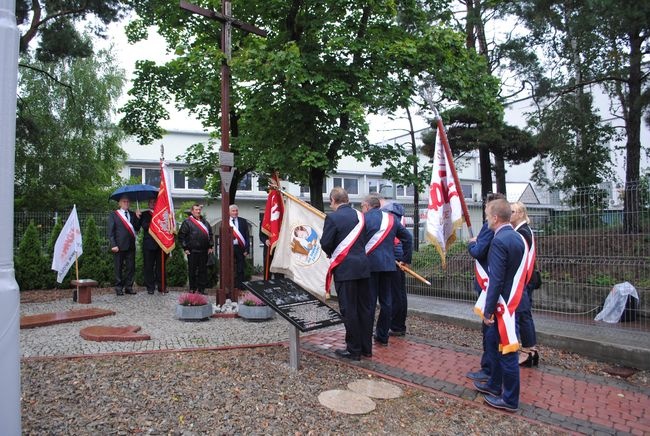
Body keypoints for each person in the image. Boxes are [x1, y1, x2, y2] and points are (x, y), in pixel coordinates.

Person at [473, 198, 528, 412]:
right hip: (513, 300)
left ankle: (510, 399)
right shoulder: (516, 237)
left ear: (495, 218)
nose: (486, 220)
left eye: (487, 216)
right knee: (497, 345)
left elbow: (496, 278)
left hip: (503, 305)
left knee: (507, 351)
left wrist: (488, 310)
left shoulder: (499, 240)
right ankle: (495, 385)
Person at [320, 187, 371, 361]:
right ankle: (366, 348)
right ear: (347, 199)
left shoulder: (333, 217)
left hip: (345, 269)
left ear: (333, 200)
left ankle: (353, 350)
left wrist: (331, 252)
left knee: (349, 310)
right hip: (363, 268)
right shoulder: (360, 216)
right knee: (363, 309)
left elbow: (326, 243)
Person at [465, 192, 506, 383]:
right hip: (491, 284)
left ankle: (489, 368)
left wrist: (471, 244)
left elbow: (479, 250)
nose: (485, 213)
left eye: (487, 209)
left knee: (489, 328)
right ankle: (491, 367)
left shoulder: (491, 229)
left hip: (489, 285)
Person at [362, 194, 412, 348]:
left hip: (369, 265)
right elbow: (408, 238)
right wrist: (406, 258)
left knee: (369, 303)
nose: (362, 209)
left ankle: (365, 341)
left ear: (367, 206)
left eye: (362, 206)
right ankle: (382, 336)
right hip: (389, 266)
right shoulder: (391, 219)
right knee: (387, 302)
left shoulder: (363, 219)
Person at [511, 201, 539, 366]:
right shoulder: (524, 230)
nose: (510, 214)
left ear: (521, 214)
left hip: (523, 280)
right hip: (526, 278)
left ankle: (528, 350)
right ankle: (531, 350)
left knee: (523, 316)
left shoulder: (521, 232)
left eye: (513, 211)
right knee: (525, 315)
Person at [380, 200, 409, 337]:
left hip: (393, 257)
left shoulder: (389, 216)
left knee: (395, 294)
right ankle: (399, 324)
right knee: (400, 293)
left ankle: (396, 325)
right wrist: (406, 258)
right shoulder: (399, 216)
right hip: (400, 256)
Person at [107, 196, 141, 295]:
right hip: (119, 246)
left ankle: (128, 287)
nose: (126, 203)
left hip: (130, 245)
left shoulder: (132, 214)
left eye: (128, 201)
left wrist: (138, 218)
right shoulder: (114, 215)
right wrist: (113, 244)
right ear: (119, 203)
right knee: (119, 267)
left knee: (130, 267)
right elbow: (110, 231)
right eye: (124, 201)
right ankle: (118, 288)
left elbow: (137, 228)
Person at [179, 204, 214, 294]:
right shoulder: (187, 222)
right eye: (196, 210)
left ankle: (201, 289)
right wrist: (185, 248)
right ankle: (192, 289)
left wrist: (210, 246)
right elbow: (181, 236)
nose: (198, 211)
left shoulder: (205, 222)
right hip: (192, 251)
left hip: (204, 251)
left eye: (199, 210)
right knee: (192, 271)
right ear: (192, 211)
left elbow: (210, 234)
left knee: (203, 271)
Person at [140, 198, 166, 294]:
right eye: (151, 202)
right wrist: (155, 222)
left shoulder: (161, 214)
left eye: (154, 202)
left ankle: (161, 286)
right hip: (149, 244)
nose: (153, 204)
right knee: (148, 266)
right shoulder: (145, 214)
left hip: (160, 244)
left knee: (160, 267)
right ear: (148, 204)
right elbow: (145, 226)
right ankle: (150, 287)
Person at [229, 204, 250, 289]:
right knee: (230, 267)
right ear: (229, 212)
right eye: (233, 211)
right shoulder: (226, 221)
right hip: (229, 248)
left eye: (236, 211)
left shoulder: (243, 221)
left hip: (240, 247)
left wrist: (247, 249)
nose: (235, 212)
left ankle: (240, 285)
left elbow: (247, 236)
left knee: (240, 268)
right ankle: (230, 285)